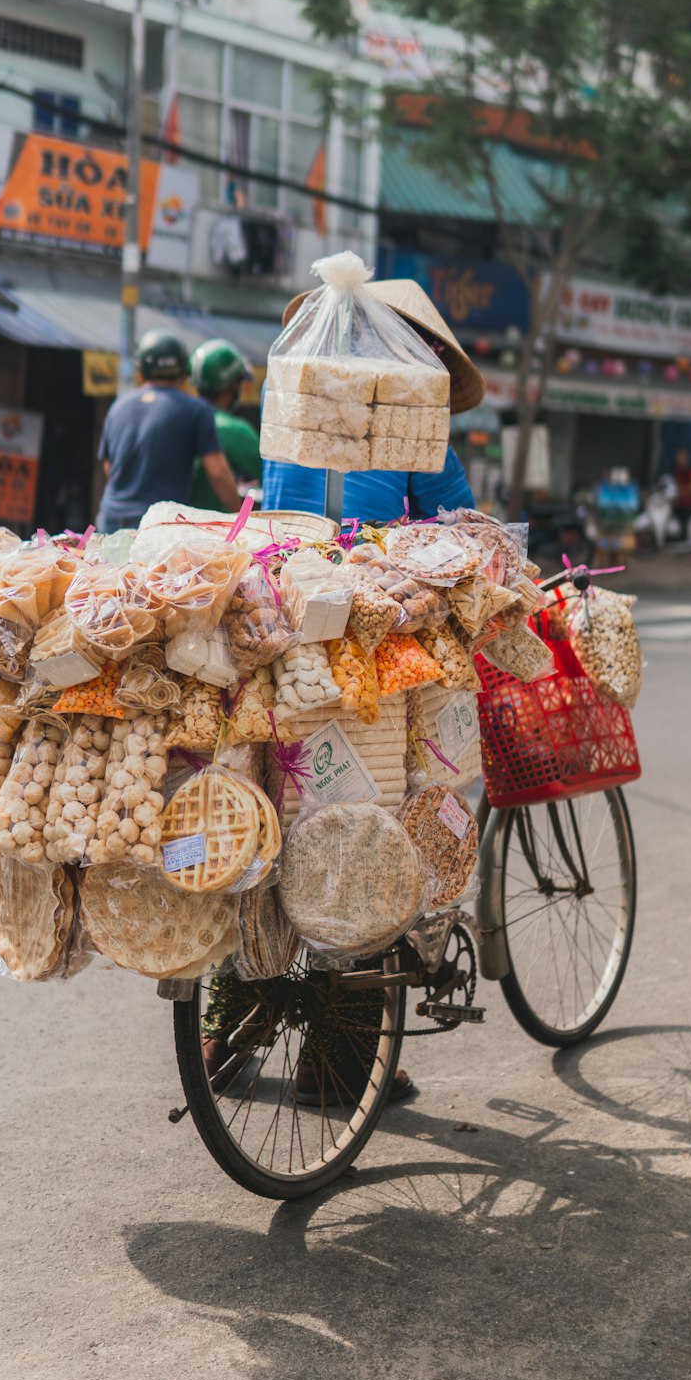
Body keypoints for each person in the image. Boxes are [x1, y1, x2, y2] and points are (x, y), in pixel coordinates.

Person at [205, 281, 487, 1108]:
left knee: (274, 815)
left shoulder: (292, 400)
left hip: (277, 616)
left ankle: (230, 1026)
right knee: (371, 823)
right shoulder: (416, 418)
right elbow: (459, 529)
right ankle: (341, 1067)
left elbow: (280, 499)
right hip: (372, 646)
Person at [260, 280, 478, 522]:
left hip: (277, 547)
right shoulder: (412, 412)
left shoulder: (280, 383)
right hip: (358, 557)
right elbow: (458, 518)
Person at [96, 330, 240, 532]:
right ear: (184, 373)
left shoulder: (118, 407)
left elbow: (109, 467)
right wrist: (241, 516)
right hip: (159, 525)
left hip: (112, 519)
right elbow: (217, 473)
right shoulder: (195, 409)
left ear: (140, 372)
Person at [188, 339, 262, 512]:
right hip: (213, 528)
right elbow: (271, 477)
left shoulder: (182, 419)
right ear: (233, 385)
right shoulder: (234, 430)